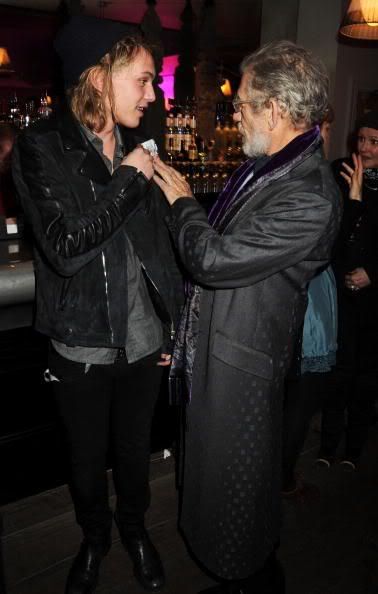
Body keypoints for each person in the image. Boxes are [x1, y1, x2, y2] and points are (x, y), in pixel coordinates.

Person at [153, 40, 342, 593]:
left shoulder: (309, 194)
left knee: (236, 483)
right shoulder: (270, 169)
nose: (236, 113)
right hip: (220, 344)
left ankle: (247, 574)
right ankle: (237, 566)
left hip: (243, 361)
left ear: (276, 110)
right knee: (216, 476)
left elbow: (213, 259)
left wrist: (183, 202)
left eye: (245, 104)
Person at [12, 15, 183, 594]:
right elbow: (64, 249)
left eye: (152, 80)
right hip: (80, 340)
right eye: (142, 79)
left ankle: (135, 532)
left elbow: (160, 251)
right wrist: (129, 181)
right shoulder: (43, 148)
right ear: (99, 77)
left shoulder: (142, 147)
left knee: (134, 453)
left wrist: (170, 325)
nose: (152, 91)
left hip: (142, 341)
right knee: (86, 461)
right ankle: (94, 539)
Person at [281, 107, 339, 498]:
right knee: (300, 398)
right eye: (325, 127)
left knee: (296, 396)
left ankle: (279, 475)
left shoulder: (316, 173)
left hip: (312, 293)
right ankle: (280, 478)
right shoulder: (314, 178)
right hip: (307, 297)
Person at [317, 110, 378, 470]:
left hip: (373, 296)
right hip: (339, 288)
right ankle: (326, 446)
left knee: (365, 377)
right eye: (361, 140)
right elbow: (331, 235)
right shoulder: (339, 171)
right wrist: (353, 197)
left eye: (374, 142)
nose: (365, 148)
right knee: (337, 370)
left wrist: (373, 273)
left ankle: (354, 450)